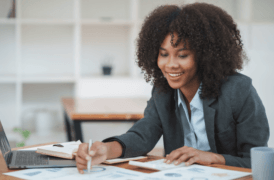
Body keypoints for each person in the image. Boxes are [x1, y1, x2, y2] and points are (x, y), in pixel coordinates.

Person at [74, 2, 270, 173]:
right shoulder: (163, 91)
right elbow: (142, 135)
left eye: (182, 55)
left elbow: (258, 161)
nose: (170, 65)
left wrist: (214, 158)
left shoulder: (238, 91)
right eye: (164, 54)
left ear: (204, 55)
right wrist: (106, 150)